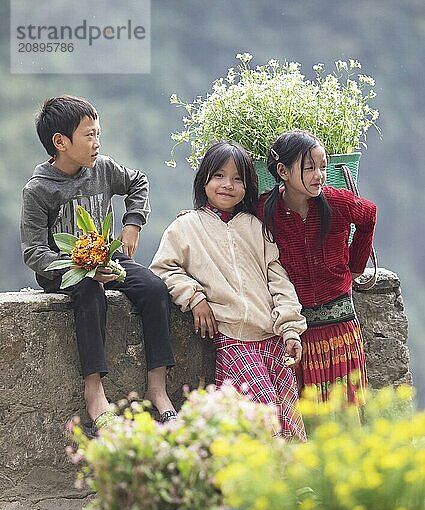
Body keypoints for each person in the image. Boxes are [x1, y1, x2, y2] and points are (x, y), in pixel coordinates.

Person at [20, 95, 177, 435]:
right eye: (88, 136)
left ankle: (157, 388)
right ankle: (95, 394)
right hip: (64, 269)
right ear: (61, 142)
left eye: (97, 134)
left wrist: (132, 223)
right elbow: (33, 252)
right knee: (90, 290)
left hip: (106, 255)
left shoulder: (102, 168)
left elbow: (138, 182)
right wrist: (80, 267)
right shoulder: (39, 189)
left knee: (153, 288)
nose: (96, 143)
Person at [150, 141, 307, 440]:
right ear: (204, 179)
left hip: (272, 338)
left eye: (238, 179)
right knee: (264, 421)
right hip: (234, 340)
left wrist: (290, 330)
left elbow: (279, 280)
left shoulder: (256, 227)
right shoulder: (186, 227)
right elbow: (163, 268)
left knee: (290, 422)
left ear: (248, 187)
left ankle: (295, 486)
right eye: (219, 175)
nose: (228, 185)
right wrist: (194, 297)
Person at [256, 130, 377, 404]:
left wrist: (355, 266)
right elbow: (233, 218)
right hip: (296, 327)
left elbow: (369, 215)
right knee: (305, 408)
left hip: (340, 325)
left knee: (345, 406)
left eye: (322, 167)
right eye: (309, 167)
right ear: (282, 171)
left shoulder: (337, 202)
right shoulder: (265, 210)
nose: (319, 175)